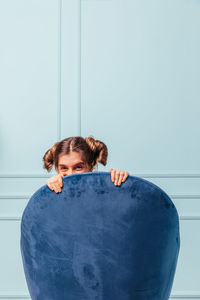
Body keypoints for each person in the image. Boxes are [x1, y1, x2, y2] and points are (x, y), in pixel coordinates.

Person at [43, 136, 129, 193]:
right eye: (64, 168)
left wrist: (123, 182)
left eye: (78, 167)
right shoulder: (53, 193)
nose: (70, 174)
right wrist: (49, 191)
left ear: (90, 166)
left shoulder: (104, 189)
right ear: (57, 169)